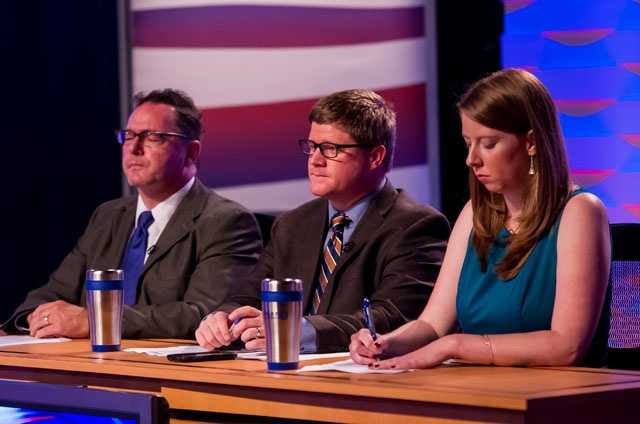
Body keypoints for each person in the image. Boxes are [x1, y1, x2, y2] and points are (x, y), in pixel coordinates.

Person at [349, 68, 611, 369]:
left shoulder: (580, 211)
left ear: (531, 142)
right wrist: (385, 342)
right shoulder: (474, 213)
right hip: (479, 390)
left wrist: (455, 345)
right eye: (468, 143)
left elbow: (566, 347)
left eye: (488, 144)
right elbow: (433, 324)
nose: (471, 159)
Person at [195, 89, 450, 353]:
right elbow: (248, 297)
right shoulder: (293, 224)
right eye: (312, 147)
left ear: (375, 157)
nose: (315, 160)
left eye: (331, 149)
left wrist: (294, 331)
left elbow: (393, 317)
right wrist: (222, 319)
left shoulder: (416, 225)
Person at [1, 89, 262, 339]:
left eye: (153, 137)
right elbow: (52, 295)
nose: (134, 148)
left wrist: (97, 321)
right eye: (129, 135)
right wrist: (36, 319)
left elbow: (205, 314)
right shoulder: (109, 216)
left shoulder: (225, 221)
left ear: (191, 153)